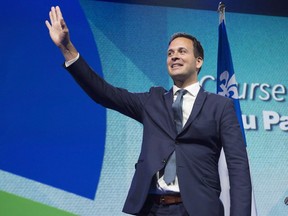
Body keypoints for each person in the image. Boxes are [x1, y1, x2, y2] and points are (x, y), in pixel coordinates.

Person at [46, 6, 252, 216]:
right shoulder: (153, 101)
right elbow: (104, 93)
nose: (174, 56)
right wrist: (67, 48)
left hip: (198, 209)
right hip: (151, 208)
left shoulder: (220, 106)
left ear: (199, 61)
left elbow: (238, 167)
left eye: (182, 51)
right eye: (170, 53)